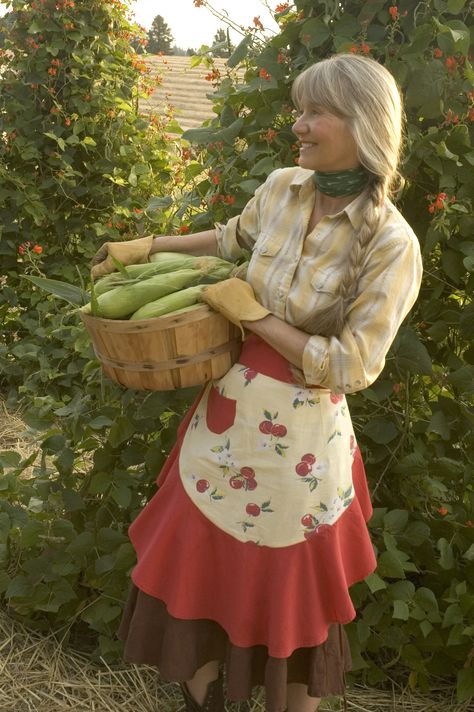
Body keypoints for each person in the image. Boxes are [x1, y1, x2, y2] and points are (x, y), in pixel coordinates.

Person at [91, 54, 423, 712]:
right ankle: (207, 700)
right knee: (196, 557)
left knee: (286, 589)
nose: (297, 124)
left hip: (302, 445)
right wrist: (149, 247)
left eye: (315, 112)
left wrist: (259, 318)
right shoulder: (281, 188)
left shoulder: (391, 242)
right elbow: (228, 240)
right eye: (298, 109)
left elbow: (355, 365)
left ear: (362, 124)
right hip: (226, 420)